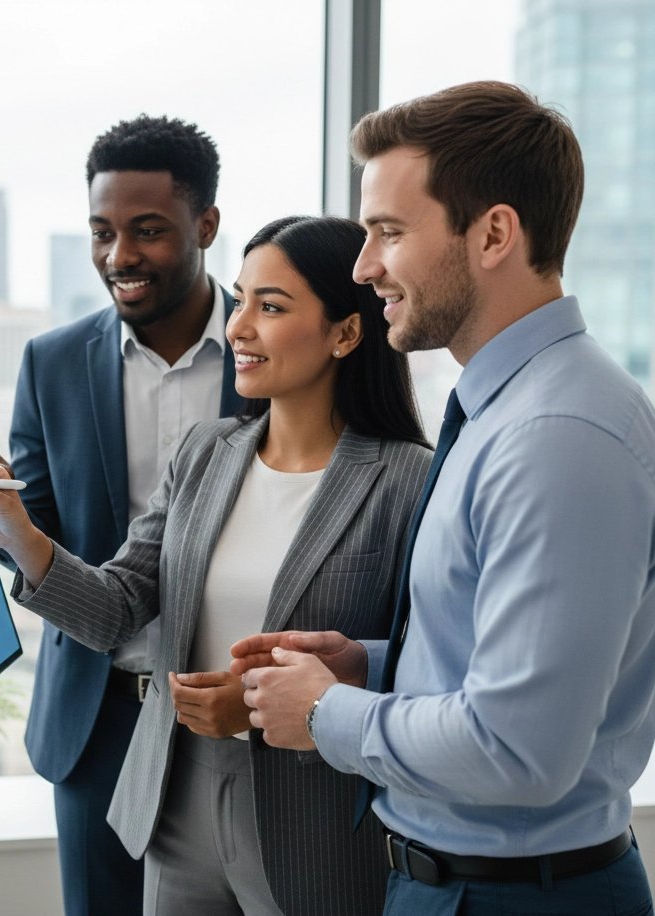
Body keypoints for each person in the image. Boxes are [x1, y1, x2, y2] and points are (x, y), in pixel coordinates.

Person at [232, 82, 655, 916]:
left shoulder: (558, 433)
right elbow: (506, 671)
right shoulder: (506, 409)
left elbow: (519, 750)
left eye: (388, 232)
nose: (364, 268)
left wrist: (327, 710)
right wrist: (378, 667)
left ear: (494, 233)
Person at [0, 215, 433, 916]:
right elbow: (117, 606)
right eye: (240, 301)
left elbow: (424, 666)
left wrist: (264, 707)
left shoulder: (406, 480)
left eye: (271, 307)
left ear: (346, 333)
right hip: (178, 796)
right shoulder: (207, 453)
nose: (238, 327)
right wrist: (14, 530)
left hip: (318, 818)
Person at [0, 115, 243, 916]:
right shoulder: (51, 361)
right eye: (103, 232)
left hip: (233, 715)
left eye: (148, 231)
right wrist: (5, 509)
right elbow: (37, 540)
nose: (120, 257)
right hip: (97, 716)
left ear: (206, 225)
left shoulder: (273, 345)